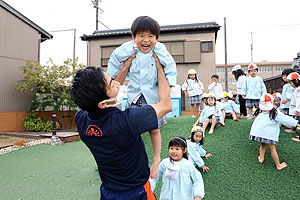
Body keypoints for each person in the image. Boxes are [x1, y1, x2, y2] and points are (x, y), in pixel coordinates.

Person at [70, 52, 172, 199]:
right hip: (137, 192)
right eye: (112, 83)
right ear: (103, 104)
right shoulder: (128, 121)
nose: (118, 83)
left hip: (107, 191)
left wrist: (125, 68)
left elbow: (104, 96)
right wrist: (159, 69)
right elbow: (166, 105)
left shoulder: (81, 119)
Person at [107, 16, 177, 179]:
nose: (146, 40)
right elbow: (115, 58)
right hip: (134, 95)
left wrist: (171, 83)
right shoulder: (127, 49)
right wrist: (111, 77)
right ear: (133, 37)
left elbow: (170, 64)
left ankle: (157, 158)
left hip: (152, 95)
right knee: (130, 129)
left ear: (156, 39)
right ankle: (129, 158)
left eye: (151, 36)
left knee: (154, 128)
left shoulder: (159, 49)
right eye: (141, 36)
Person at [249, 93, 299, 170]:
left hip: (259, 133)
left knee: (263, 144)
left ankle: (261, 158)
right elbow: (285, 119)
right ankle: (278, 165)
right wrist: (295, 123)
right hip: (268, 134)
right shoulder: (275, 112)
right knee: (272, 148)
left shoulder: (259, 111)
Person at [284, 72, 300, 141]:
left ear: (296, 80)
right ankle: (293, 129)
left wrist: (298, 110)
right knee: (297, 121)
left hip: (298, 109)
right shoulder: (297, 88)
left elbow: (299, 100)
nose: (291, 85)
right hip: (296, 108)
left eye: (291, 83)